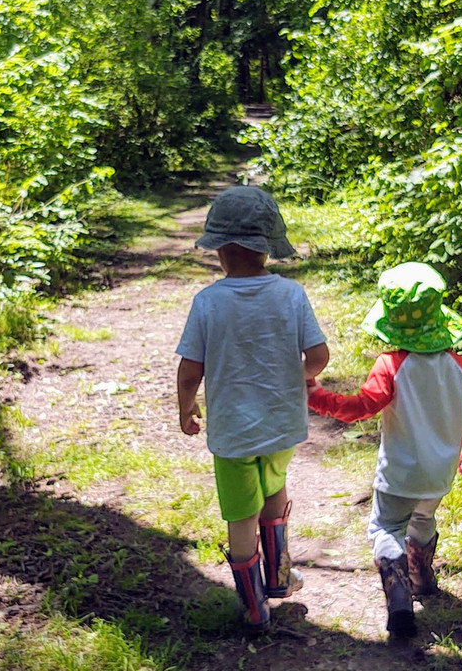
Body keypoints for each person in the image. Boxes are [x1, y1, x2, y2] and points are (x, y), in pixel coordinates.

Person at [175, 185, 330, 634]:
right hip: (282, 425)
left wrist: (186, 409)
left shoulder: (208, 302)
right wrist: (298, 376)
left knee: (241, 513)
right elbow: (319, 356)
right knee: (274, 489)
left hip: (233, 433)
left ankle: (254, 607)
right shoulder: (291, 295)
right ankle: (279, 578)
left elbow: (190, 370)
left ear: (220, 250)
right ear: (268, 248)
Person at [306, 261, 462, 638]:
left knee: (386, 527)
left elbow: (360, 408)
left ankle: (400, 596)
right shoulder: (459, 366)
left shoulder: (390, 365)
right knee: (423, 521)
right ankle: (422, 577)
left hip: (399, 475)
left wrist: (318, 398)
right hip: (439, 475)